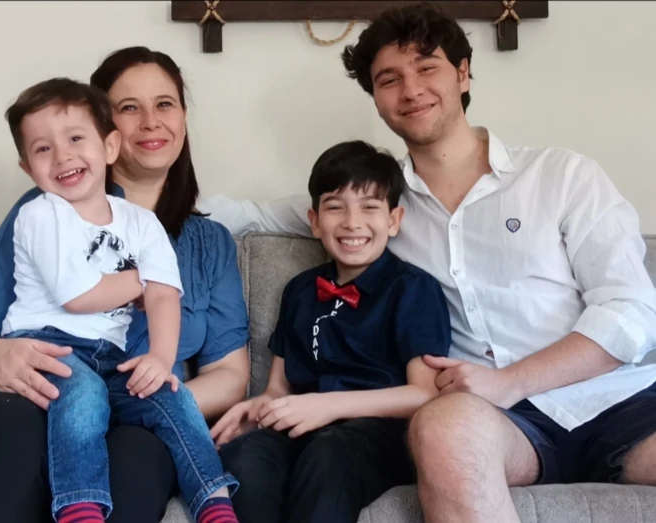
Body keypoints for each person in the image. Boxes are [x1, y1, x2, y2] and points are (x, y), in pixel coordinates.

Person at [198, 4, 656, 523]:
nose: (411, 90)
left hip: (621, 403)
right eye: (389, 79)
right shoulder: (376, 202)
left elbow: (631, 310)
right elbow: (250, 214)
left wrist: (512, 380)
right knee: (442, 427)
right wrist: (141, 208)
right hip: (494, 423)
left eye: (427, 67)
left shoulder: (561, 176)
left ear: (463, 73)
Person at [0, 47, 250, 523]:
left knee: (137, 459)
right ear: (106, 128)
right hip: (26, 397)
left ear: (183, 118)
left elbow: (230, 376)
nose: (150, 121)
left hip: (132, 408)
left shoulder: (209, 243)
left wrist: (124, 398)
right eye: (129, 107)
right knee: (12, 430)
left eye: (165, 104)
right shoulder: (43, 211)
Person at [211, 140, 451, 523]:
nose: (352, 222)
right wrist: (258, 406)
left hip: (377, 433)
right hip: (304, 425)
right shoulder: (300, 290)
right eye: (335, 207)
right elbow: (278, 389)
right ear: (315, 220)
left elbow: (424, 393)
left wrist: (328, 406)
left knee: (329, 453)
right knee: (246, 455)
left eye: (369, 207)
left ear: (394, 220)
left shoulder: (412, 289)